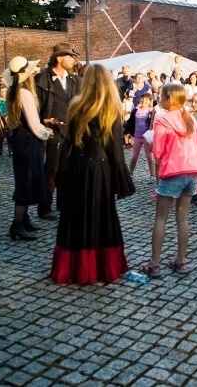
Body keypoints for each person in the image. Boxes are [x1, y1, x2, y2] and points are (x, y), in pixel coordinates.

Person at [50, 64, 135, 285]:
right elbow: (116, 150)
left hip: (76, 165)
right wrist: (123, 181)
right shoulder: (110, 108)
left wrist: (60, 173)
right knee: (101, 216)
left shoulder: (76, 105)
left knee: (75, 216)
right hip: (100, 167)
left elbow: (68, 143)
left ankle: (73, 268)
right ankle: (99, 267)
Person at [141, 83, 197, 278]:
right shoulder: (191, 119)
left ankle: (154, 263)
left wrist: (158, 175)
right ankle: (181, 260)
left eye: (161, 96)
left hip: (173, 171)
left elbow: (159, 152)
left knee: (161, 218)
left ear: (168, 99)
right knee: (182, 217)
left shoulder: (162, 121)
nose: (159, 99)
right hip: (192, 171)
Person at [4, 56, 52, 240]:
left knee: (25, 179)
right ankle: (17, 224)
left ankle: (24, 219)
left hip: (21, 138)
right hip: (28, 141)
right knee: (27, 181)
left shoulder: (13, 90)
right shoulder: (24, 93)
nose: (34, 72)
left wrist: (42, 127)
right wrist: (46, 133)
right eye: (31, 70)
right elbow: (33, 123)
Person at [35, 43, 82, 220]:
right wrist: (43, 121)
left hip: (70, 130)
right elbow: (36, 107)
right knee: (51, 169)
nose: (73, 60)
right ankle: (44, 207)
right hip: (52, 131)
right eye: (70, 56)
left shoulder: (73, 80)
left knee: (66, 169)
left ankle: (63, 203)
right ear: (59, 58)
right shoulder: (42, 79)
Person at [126, 92, 155, 183]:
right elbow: (130, 121)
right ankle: (130, 173)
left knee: (149, 157)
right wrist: (127, 132)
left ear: (150, 101)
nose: (144, 100)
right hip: (137, 137)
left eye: (146, 99)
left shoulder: (151, 111)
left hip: (146, 137)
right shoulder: (136, 110)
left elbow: (153, 123)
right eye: (142, 98)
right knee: (134, 156)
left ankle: (152, 175)